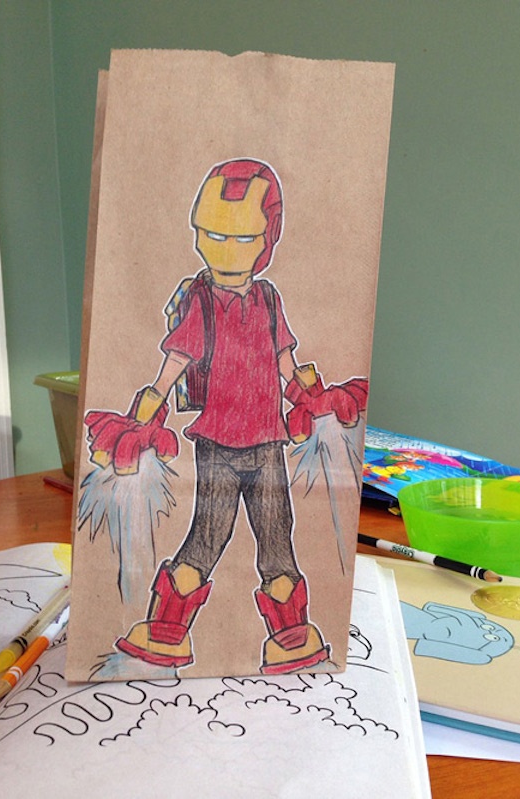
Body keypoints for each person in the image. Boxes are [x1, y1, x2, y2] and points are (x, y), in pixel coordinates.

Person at [85, 158, 367, 674]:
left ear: (267, 240)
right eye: (211, 234)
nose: (224, 249)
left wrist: (314, 396)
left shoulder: (268, 299)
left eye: (242, 238)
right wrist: (145, 415)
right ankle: (168, 630)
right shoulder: (200, 302)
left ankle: (291, 634)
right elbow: (176, 361)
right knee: (207, 535)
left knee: (277, 537)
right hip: (217, 445)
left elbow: (285, 360)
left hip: (268, 446)